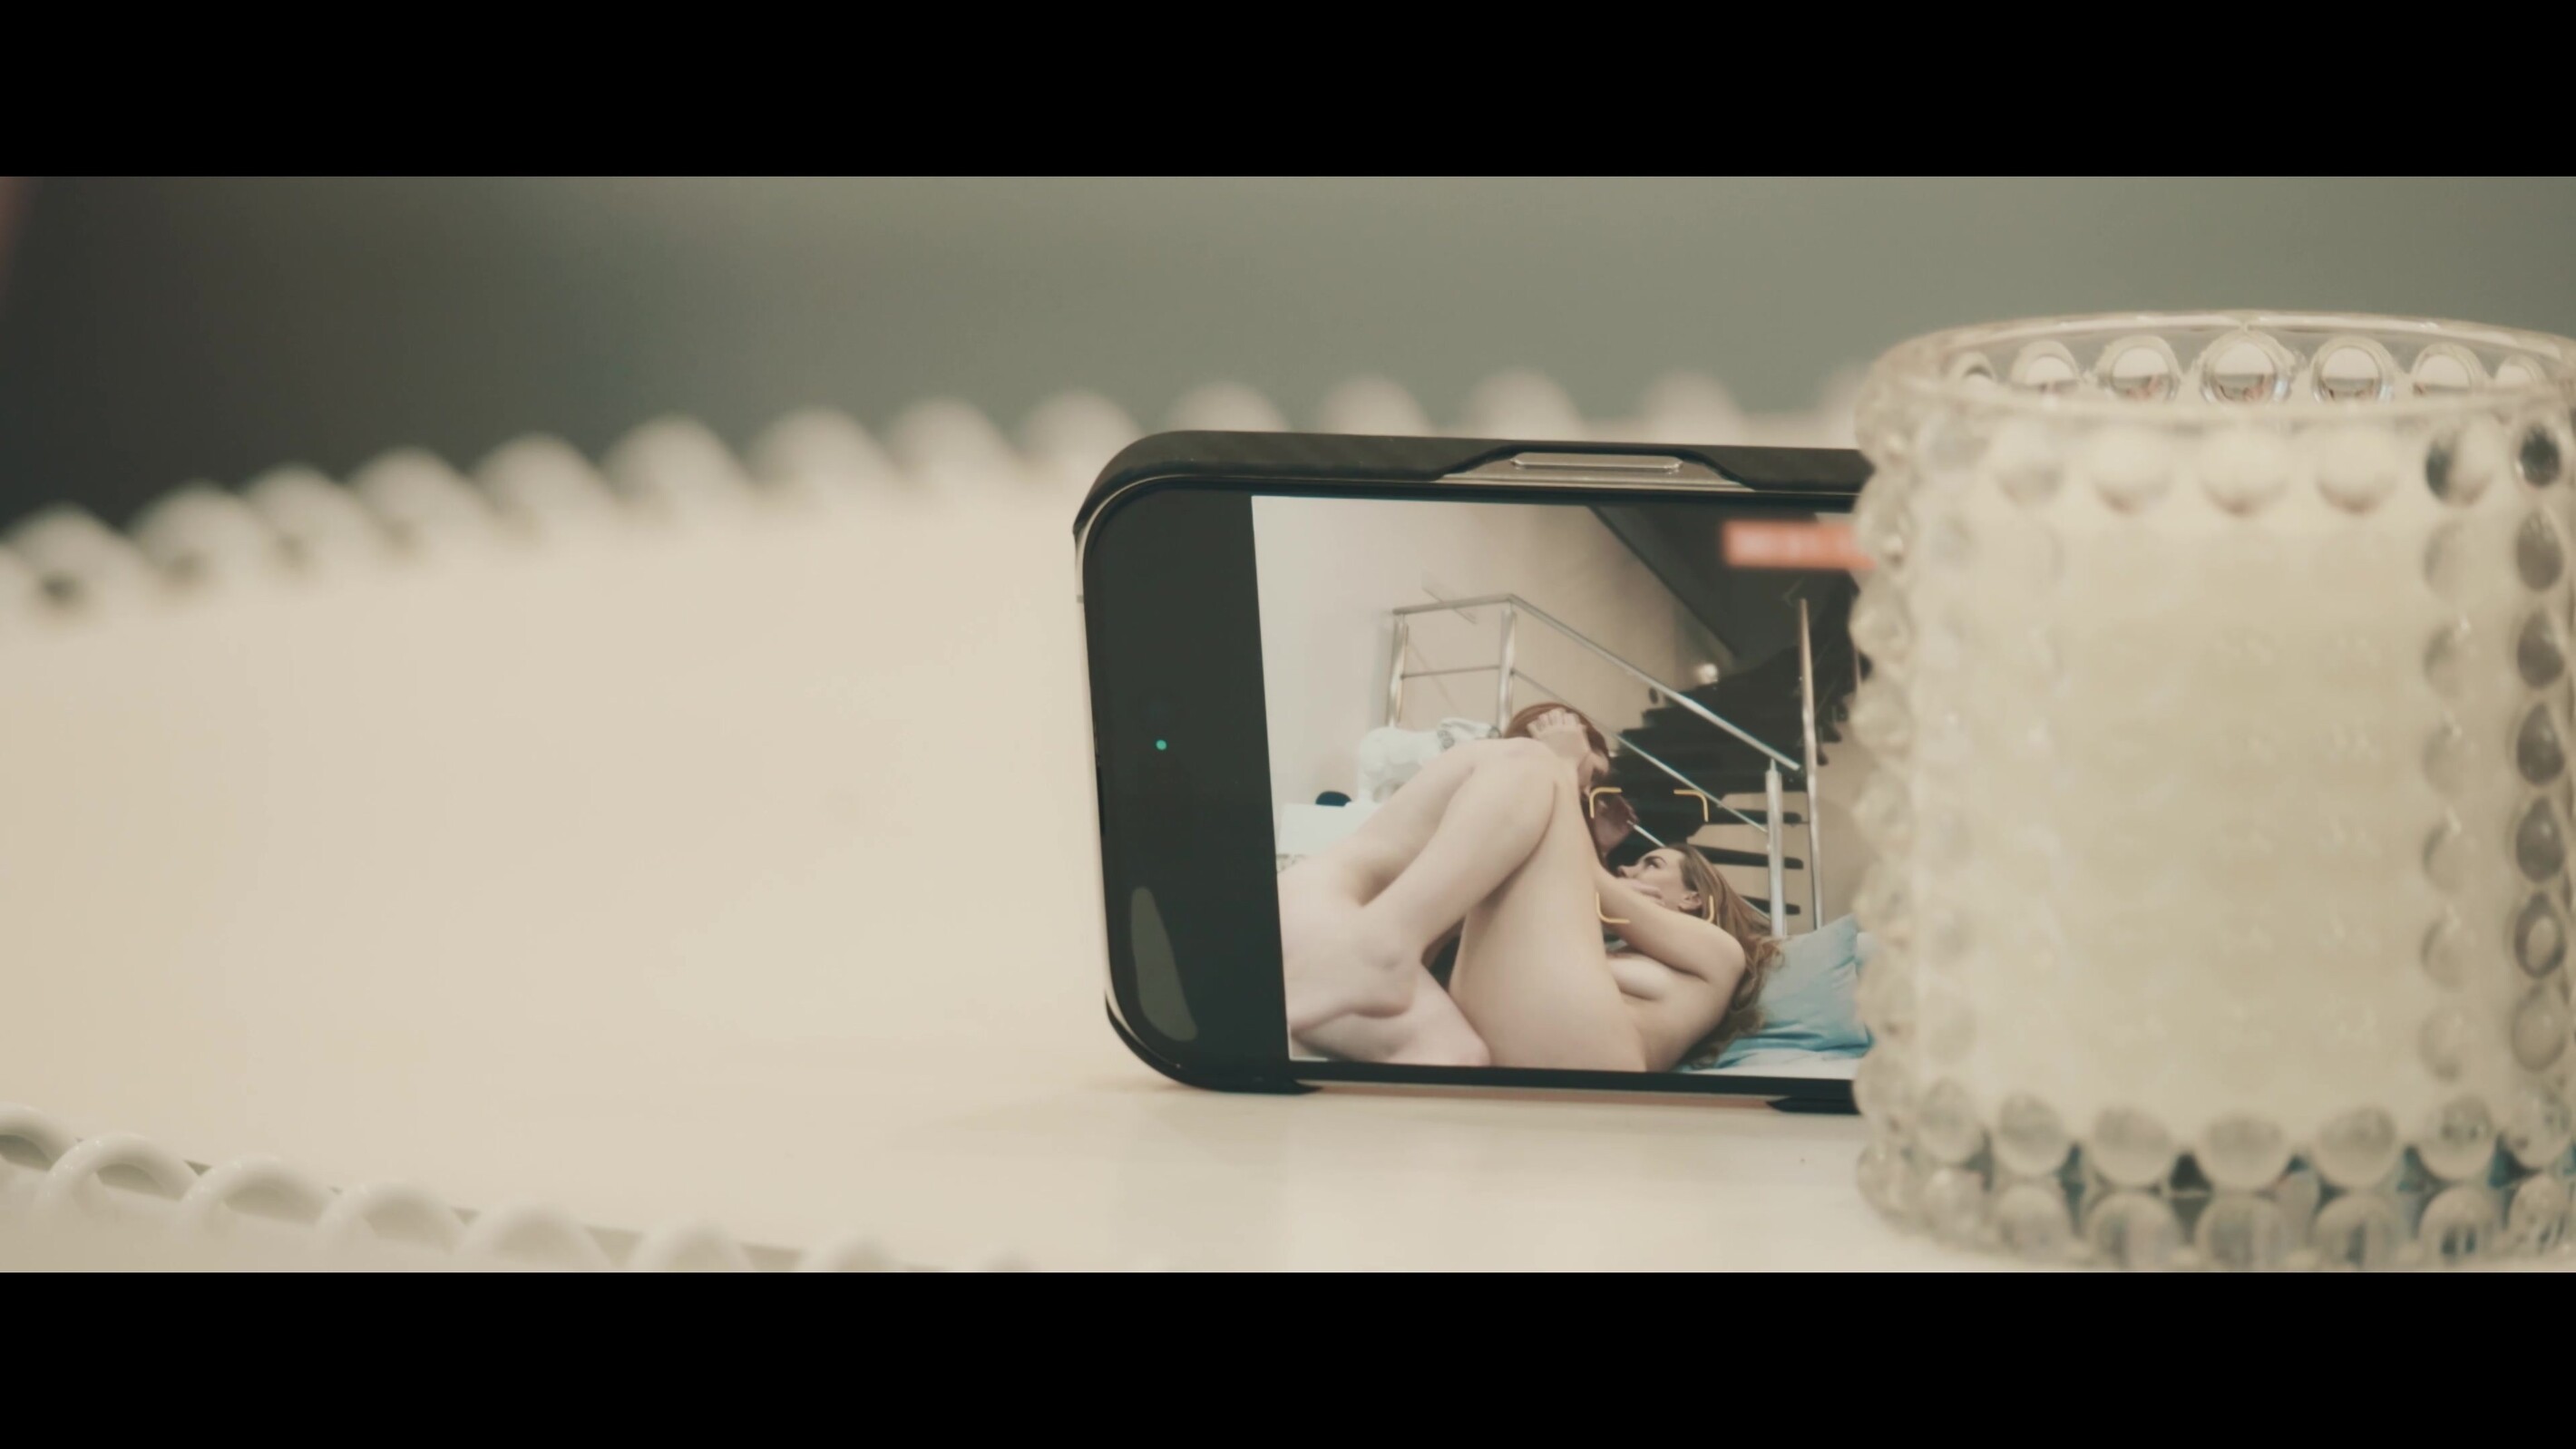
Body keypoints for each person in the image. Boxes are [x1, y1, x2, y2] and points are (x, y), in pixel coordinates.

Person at [1281, 705, 1778, 1072]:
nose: (1631, 870)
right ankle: (1376, 954)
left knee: (1535, 766)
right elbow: (1567, 908)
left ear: (1694, 897)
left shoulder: (1721, 953)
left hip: (1595, 1052)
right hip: (1548, 1035)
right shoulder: (1580, 937)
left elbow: (1589, 893)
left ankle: (1371, 959)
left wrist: (1563, 774)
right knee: (1534, 769)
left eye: (1652, 863)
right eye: (1587, 781)